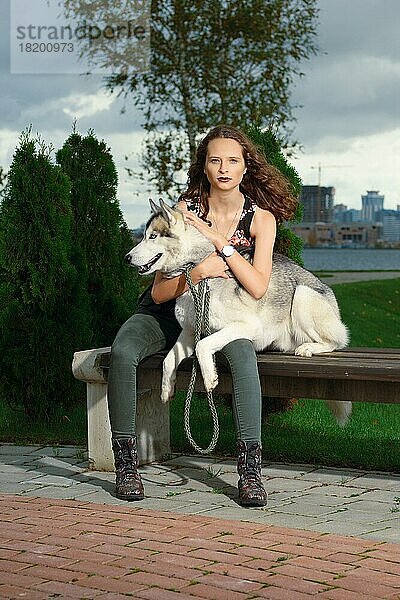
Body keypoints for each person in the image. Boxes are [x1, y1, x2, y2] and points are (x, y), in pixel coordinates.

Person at [107, 124, 298, 506]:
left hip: (226, 313)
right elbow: (160, 291)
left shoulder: (260, 220)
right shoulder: (184, 211)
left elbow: (258, 286)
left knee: (243, 357)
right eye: (215, 160)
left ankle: (250, 472)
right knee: (123, 351)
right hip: (168, 310)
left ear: (247, 166)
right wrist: (197, 272)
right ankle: (126, 466)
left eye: (233, 160)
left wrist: (219, 245)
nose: (224, 168)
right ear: (205, 167)